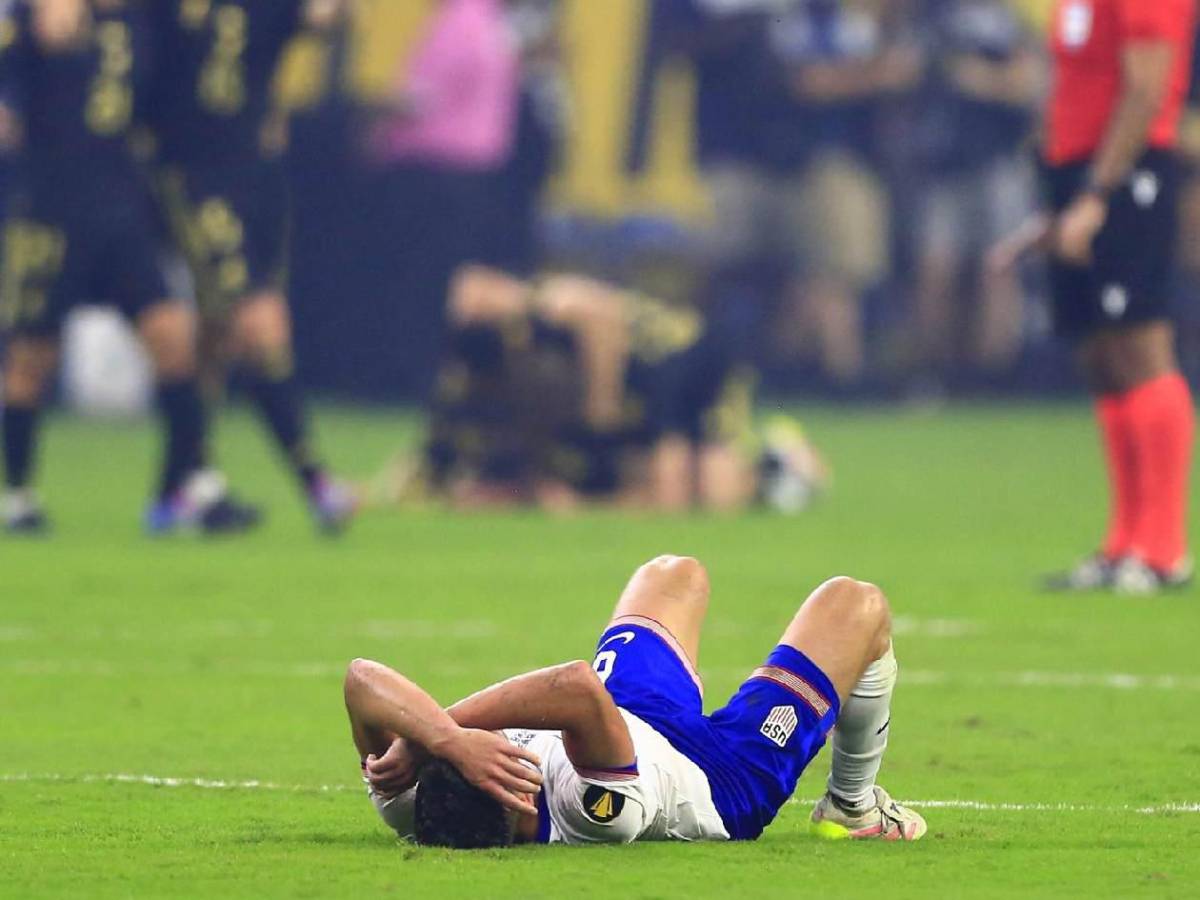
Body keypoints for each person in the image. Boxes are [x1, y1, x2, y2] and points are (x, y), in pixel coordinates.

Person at [344, 554, 926, 847]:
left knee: (674, 572)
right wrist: (446, 730)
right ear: (518, 799)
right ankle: (853, 809)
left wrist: (440, 740)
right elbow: (576, 687)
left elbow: (360, 678)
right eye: (495, 752)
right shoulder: (593, 810)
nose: (495, 743)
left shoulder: (411, 803)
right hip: (718, 777)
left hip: (622, 719)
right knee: (856, 605)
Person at [0, 0, 258, 535]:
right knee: (31, 356)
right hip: (49, 206)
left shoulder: (148, 19)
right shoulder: (37, 14)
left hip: (121, 208)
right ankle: (17, 494)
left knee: (173, 336)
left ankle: (186, 488)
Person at [993, 0, 1198, 594]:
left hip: (1128, 175)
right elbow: (1076, 86)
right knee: (1101, 358)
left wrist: (1097, 192)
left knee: (1141, 345)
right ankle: (1123, 544)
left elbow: (1147, 88)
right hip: (1076, 176)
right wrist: (1055, 199)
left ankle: (1163, 550)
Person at [375, 265, 827, 514]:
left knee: (709, 494)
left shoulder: (563, 320)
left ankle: (781, 459)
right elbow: (435, 460)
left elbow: (592, 309)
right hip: (628, 390)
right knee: (649, 479)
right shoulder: (491, 370)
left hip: (692, 367)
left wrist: (600, 411)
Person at [145, 0, 355, 534]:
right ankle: (317, 484)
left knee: (217, 336)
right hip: (192, 177)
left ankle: (177, 488)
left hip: (256, 180)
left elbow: (326, 17)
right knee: (257, 321)